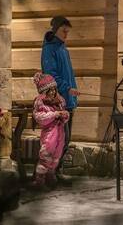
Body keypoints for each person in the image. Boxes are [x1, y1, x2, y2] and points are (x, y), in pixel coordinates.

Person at [41, 16, 80, 174]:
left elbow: (68, 74)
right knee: (58, 140)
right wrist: (67, 88)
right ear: (56, 29)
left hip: (67, 101)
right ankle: (50, 173)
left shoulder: (63, 49)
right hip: (57, 101)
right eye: (64, 31)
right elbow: (51, 75)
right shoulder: (49, 49)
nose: (66, 34)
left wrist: (72, 93)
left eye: (67, 31)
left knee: (66, 139)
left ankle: (56, 172)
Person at [30, 73, 70, 189]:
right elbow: (40, 117)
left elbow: (65, 115)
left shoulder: (59, 101)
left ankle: (50, 176)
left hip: (59, 133)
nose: (52, 92)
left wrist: (64, 115)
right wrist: (54, 114)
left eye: (54, 89)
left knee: (56, 155)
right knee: (46, 154)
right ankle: (40, 180)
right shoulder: (41, 102)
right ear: (44, 92)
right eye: (49, 90)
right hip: (49, 134)